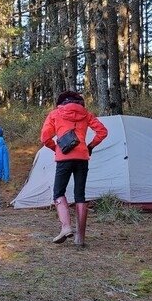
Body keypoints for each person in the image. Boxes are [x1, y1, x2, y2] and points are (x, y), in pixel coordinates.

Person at [40, 90, 107, 247]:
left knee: (58, 192)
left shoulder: (55, 114)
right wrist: (90, 145)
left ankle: (66, 227)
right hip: (82, 158)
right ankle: (80, 238)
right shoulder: (87, 114)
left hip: (64, 158)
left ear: (61, 102)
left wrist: (56, 148)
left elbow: (45, 137)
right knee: (80, 195)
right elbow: (103, 132)